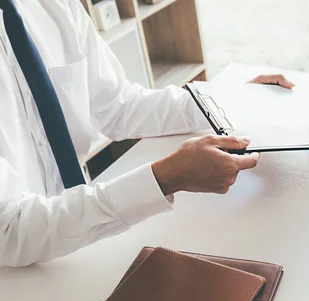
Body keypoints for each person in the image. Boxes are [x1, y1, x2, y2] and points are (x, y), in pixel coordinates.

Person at [0, 0, 293, 267]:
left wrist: (225, 101)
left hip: (82, 246)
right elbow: (10, 230)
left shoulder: (53, 6)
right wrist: (164, 178)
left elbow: (118, 105)